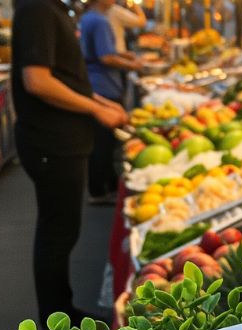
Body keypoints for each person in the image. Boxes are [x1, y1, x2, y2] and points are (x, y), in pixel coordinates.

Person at [11, 0, 127, 325]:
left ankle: (62, 314)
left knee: (63, 231)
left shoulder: (53, 9)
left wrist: (102, 103)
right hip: (52, 141)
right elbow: (37, 80)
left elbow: (68, 79)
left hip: (62, 141)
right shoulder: (37, 9)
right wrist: (95, 109)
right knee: (57, 234)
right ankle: (57, 324)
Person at [80, 0, 142, 203]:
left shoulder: (89, 18)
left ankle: (101, 187)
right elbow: (106, 57)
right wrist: (132, 65)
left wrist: (124, 55)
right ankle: (102, 190)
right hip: (104, 85)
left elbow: (103, 52)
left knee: (100, 142)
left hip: (96, 82)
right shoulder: (100, 21)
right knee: (104, 143)